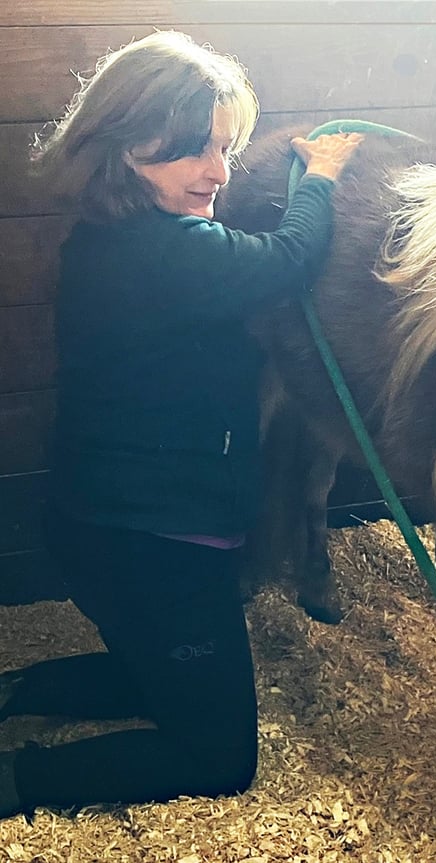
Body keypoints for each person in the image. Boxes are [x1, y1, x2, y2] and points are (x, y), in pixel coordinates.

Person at [0, 30, 362, 818]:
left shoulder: (109, 239)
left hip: (103, 524)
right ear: (124, 148)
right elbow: (286, 257)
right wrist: (322, 179)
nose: (217, 172)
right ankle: (20, 779)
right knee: (219, 755)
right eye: (190, 150)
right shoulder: (171, 252)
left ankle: (18, 689)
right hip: (155, 544)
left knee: (154, 671)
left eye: (223, 148)